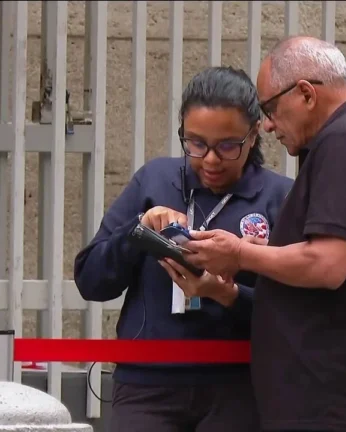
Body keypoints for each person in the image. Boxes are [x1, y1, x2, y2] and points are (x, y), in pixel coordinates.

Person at [183, 36, 346, 432]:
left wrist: (240, 254)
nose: (269, 125)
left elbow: (327, 264)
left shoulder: (344, 142)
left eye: (270, 109)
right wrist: (271, 250)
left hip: (329, 398)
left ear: (306, 94)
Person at [73, 66, 293, 432]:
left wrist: (227, 295)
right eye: (196, 143)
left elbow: (293, 312)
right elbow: (90, 280)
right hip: (147, 386)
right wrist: (138, 230)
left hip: (239, 389)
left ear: (254, 134)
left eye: (227, 146)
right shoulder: (154, 181)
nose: (210, 159)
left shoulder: (278, 197)